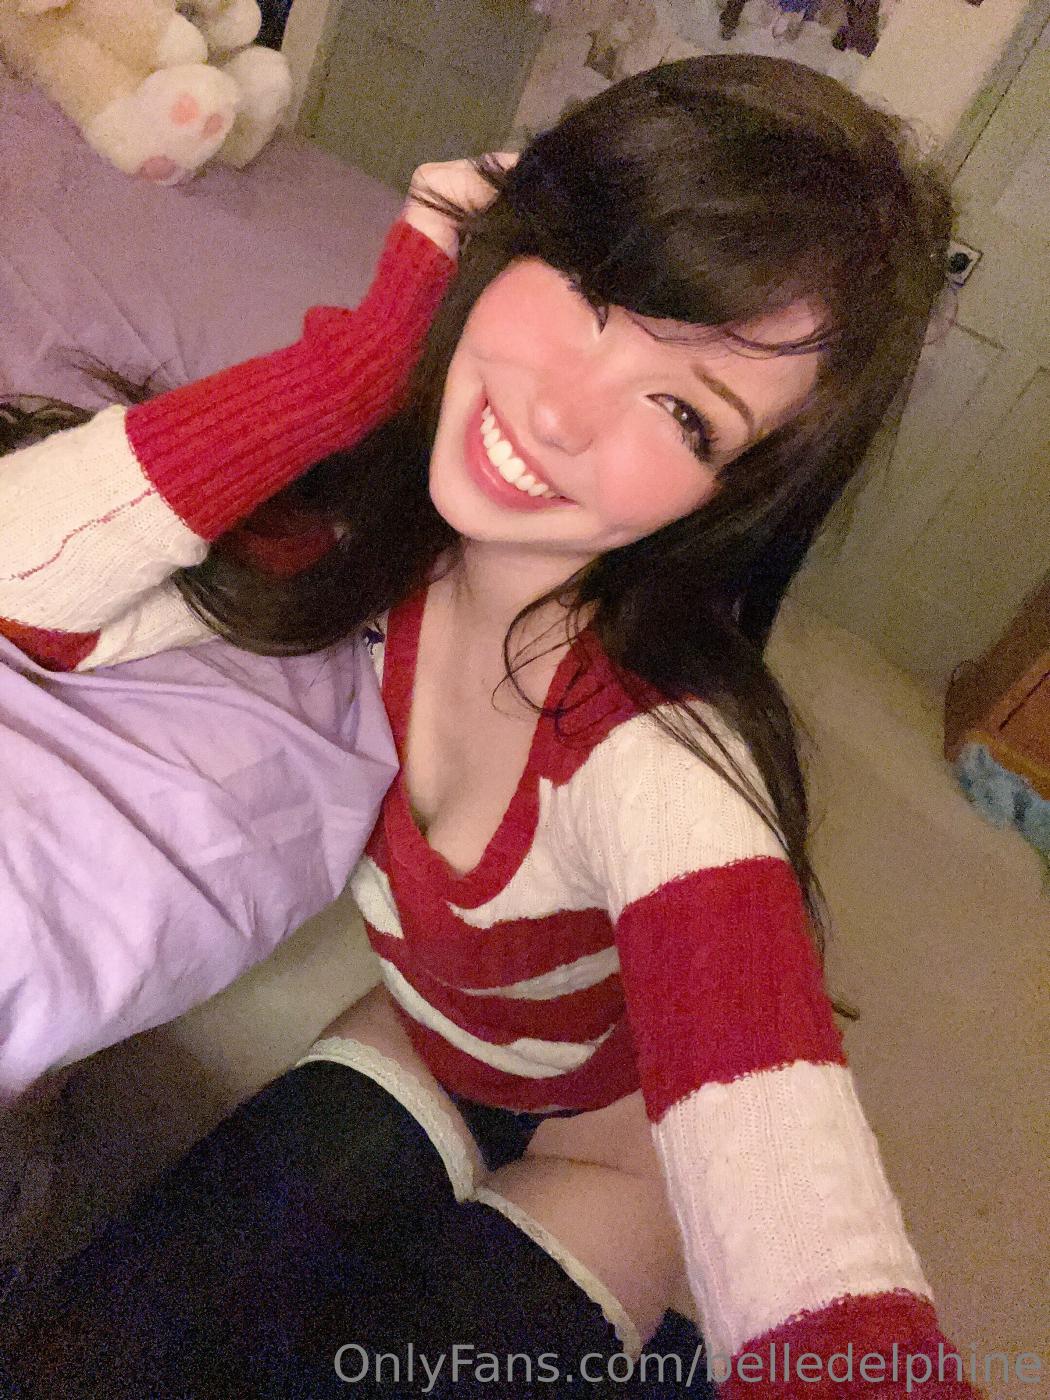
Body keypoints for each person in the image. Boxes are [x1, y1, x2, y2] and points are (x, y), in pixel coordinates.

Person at [0, 55, 983, 1399]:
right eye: (588, 290)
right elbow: (25, 583)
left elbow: (806, 1229)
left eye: (681, 412)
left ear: (731, 490)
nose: (559, 412)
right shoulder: (383, 549)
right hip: (428, 1030)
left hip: (610, 1142)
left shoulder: (664, 761)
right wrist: (355, 365)